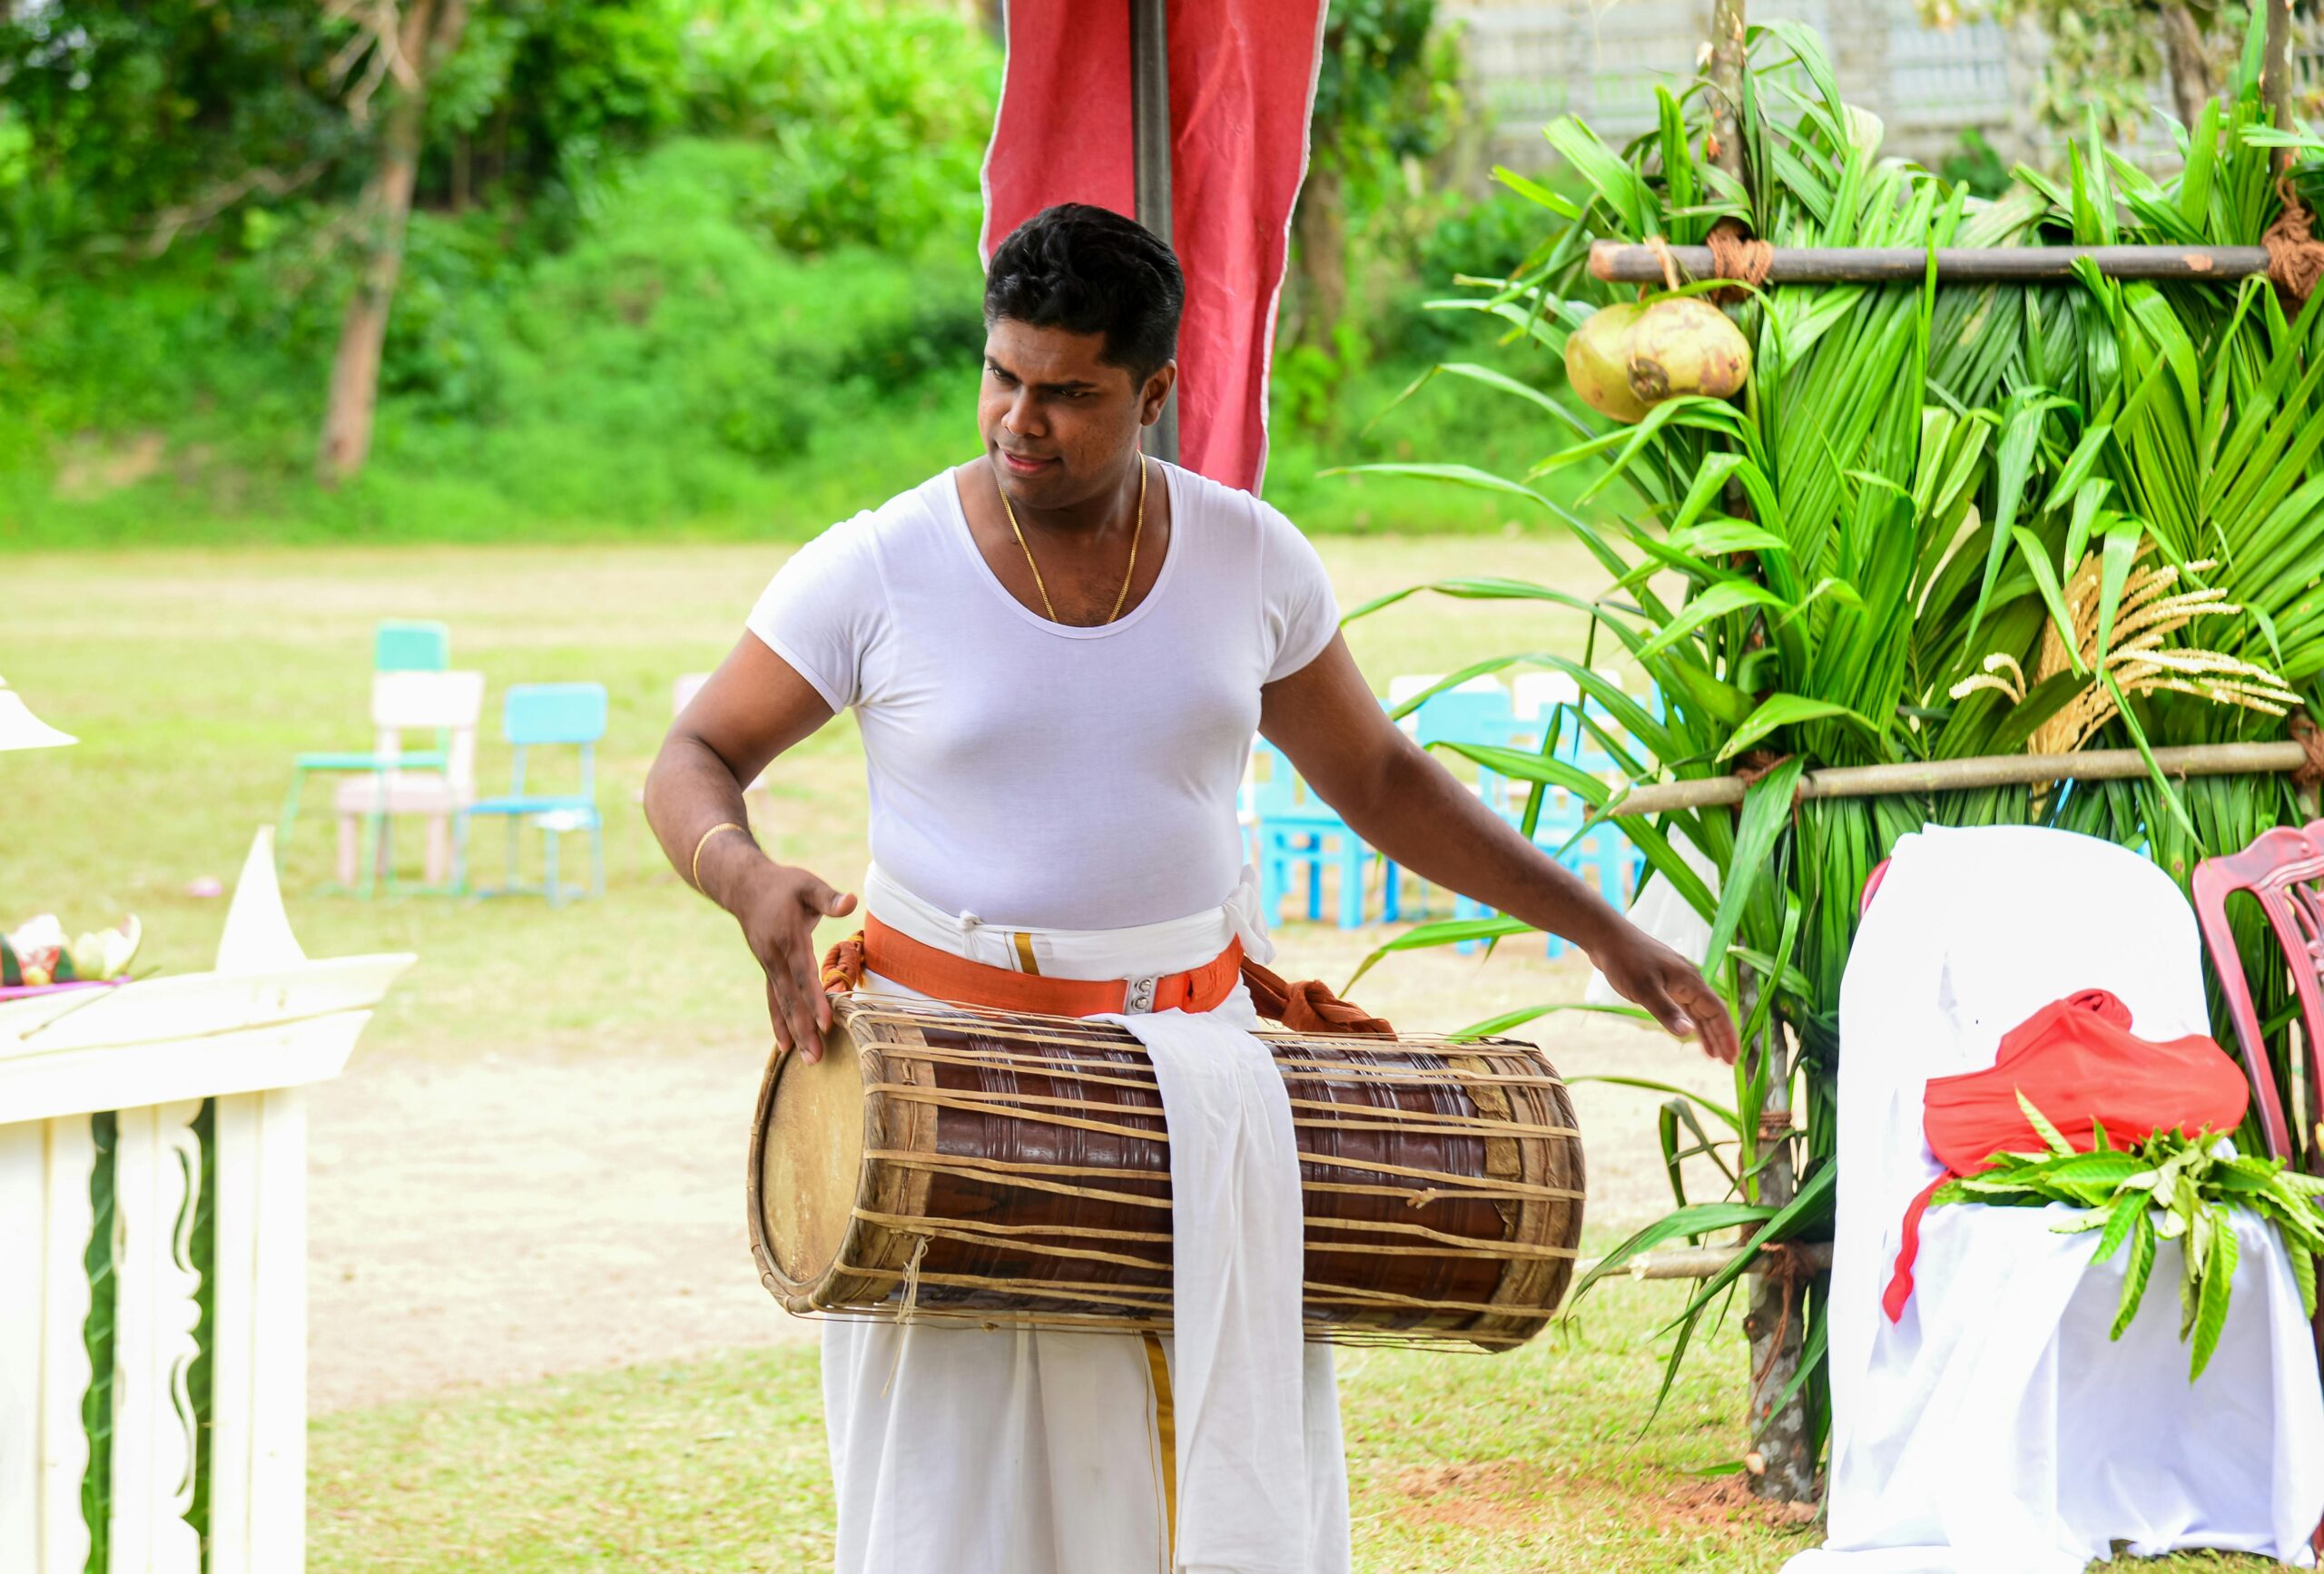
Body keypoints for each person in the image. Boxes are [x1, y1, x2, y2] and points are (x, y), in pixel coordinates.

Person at [645, 202, 1738, 1574]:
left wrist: (1601, 927)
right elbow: (694, 753)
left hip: (1208, 1100)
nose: (1017, 420)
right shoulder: (880, 564)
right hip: (953, 1094)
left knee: (1209, 1499)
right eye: (1002, 376)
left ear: (1157, 389)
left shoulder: (1250, 558)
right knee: (963, 1514)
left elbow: (1384, 779)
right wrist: (741, 877)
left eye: (1069, 393)